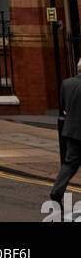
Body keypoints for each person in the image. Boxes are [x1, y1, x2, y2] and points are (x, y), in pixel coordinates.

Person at [50, 59, 81, 213]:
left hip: (71, 131)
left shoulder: (66, 83)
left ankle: (57, 191)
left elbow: (63, 109)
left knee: (69, 164)